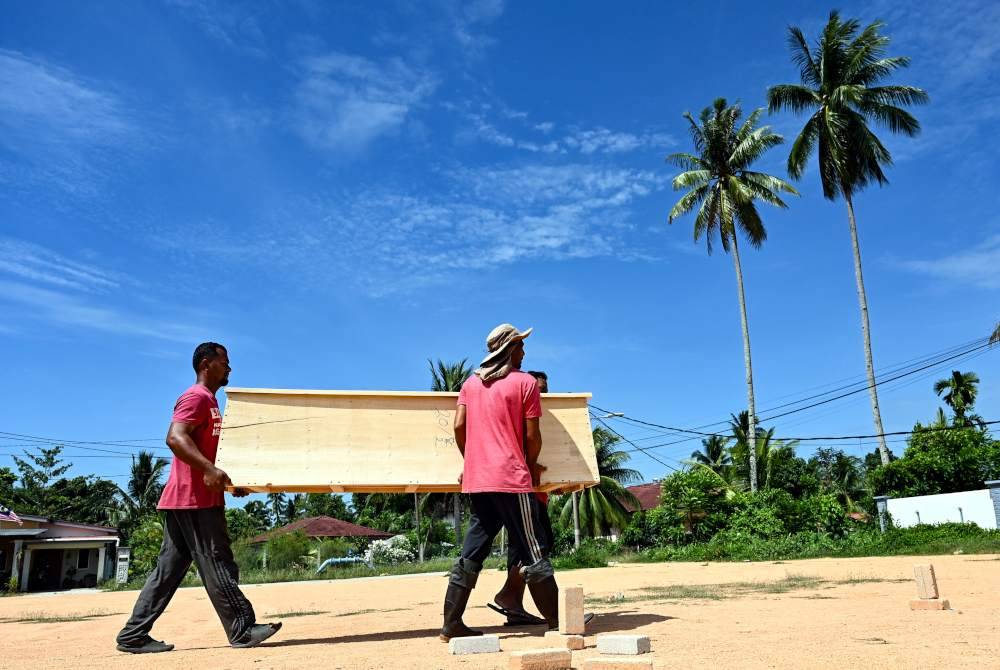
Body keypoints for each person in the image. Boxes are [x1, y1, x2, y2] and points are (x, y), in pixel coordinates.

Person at [115, 342, 281, 654]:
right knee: (217, 561)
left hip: (190, 499)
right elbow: (175, 437)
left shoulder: (212, 403)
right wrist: (207, 469)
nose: (230, 368)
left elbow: (210, 456)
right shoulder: (196, 397)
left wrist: (230, 483)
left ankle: (133, 635)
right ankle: (242, 629)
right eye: (225, 362)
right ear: (207, 363)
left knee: (168, 572)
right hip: (193, 500)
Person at [440, 324, 561, 641]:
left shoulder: (470, 384)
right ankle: (560, 622)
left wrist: (472, 461)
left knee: (472, 551)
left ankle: (451, 624)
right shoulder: (525, 383)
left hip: (478, 482)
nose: (524, 351)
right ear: (509, 349)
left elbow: (458, 426)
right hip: (511, 479)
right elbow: (533, 436)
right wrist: (532, 466)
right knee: (534, 549)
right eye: (521, 345)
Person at [488, 370, 551, 627]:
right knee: (536, 548)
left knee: (523, 551)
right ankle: (510, 596)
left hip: (537, 494)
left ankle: (514, 605)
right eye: (538, 390)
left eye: (544, 390)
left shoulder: (544, 418)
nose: (541, 394)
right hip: (522, 493)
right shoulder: (522, 420)